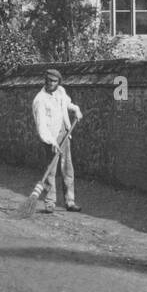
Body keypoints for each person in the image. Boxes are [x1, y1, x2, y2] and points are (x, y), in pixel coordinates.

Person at [33, 68, 82, 213]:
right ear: (45, 81)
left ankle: (70, 201)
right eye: (49, 81)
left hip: (65, 134)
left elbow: (67, 103)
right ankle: (50, 203)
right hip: (50, 138)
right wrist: (51, 142)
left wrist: (76, 109)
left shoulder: (60, 91)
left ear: (58, 82)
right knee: (51, 170)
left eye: (54, 81)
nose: (52, 84)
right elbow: (41, 126)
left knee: (67, 168)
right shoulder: (39, 100)